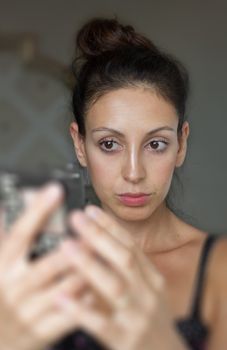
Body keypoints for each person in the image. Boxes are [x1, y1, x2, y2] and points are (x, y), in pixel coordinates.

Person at [0, 17, 227, 350]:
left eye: (156, 144)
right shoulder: (34, 265)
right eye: (109, 144)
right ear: (80, 145)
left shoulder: (220, 268)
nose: (133, 173)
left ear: (182, 144)